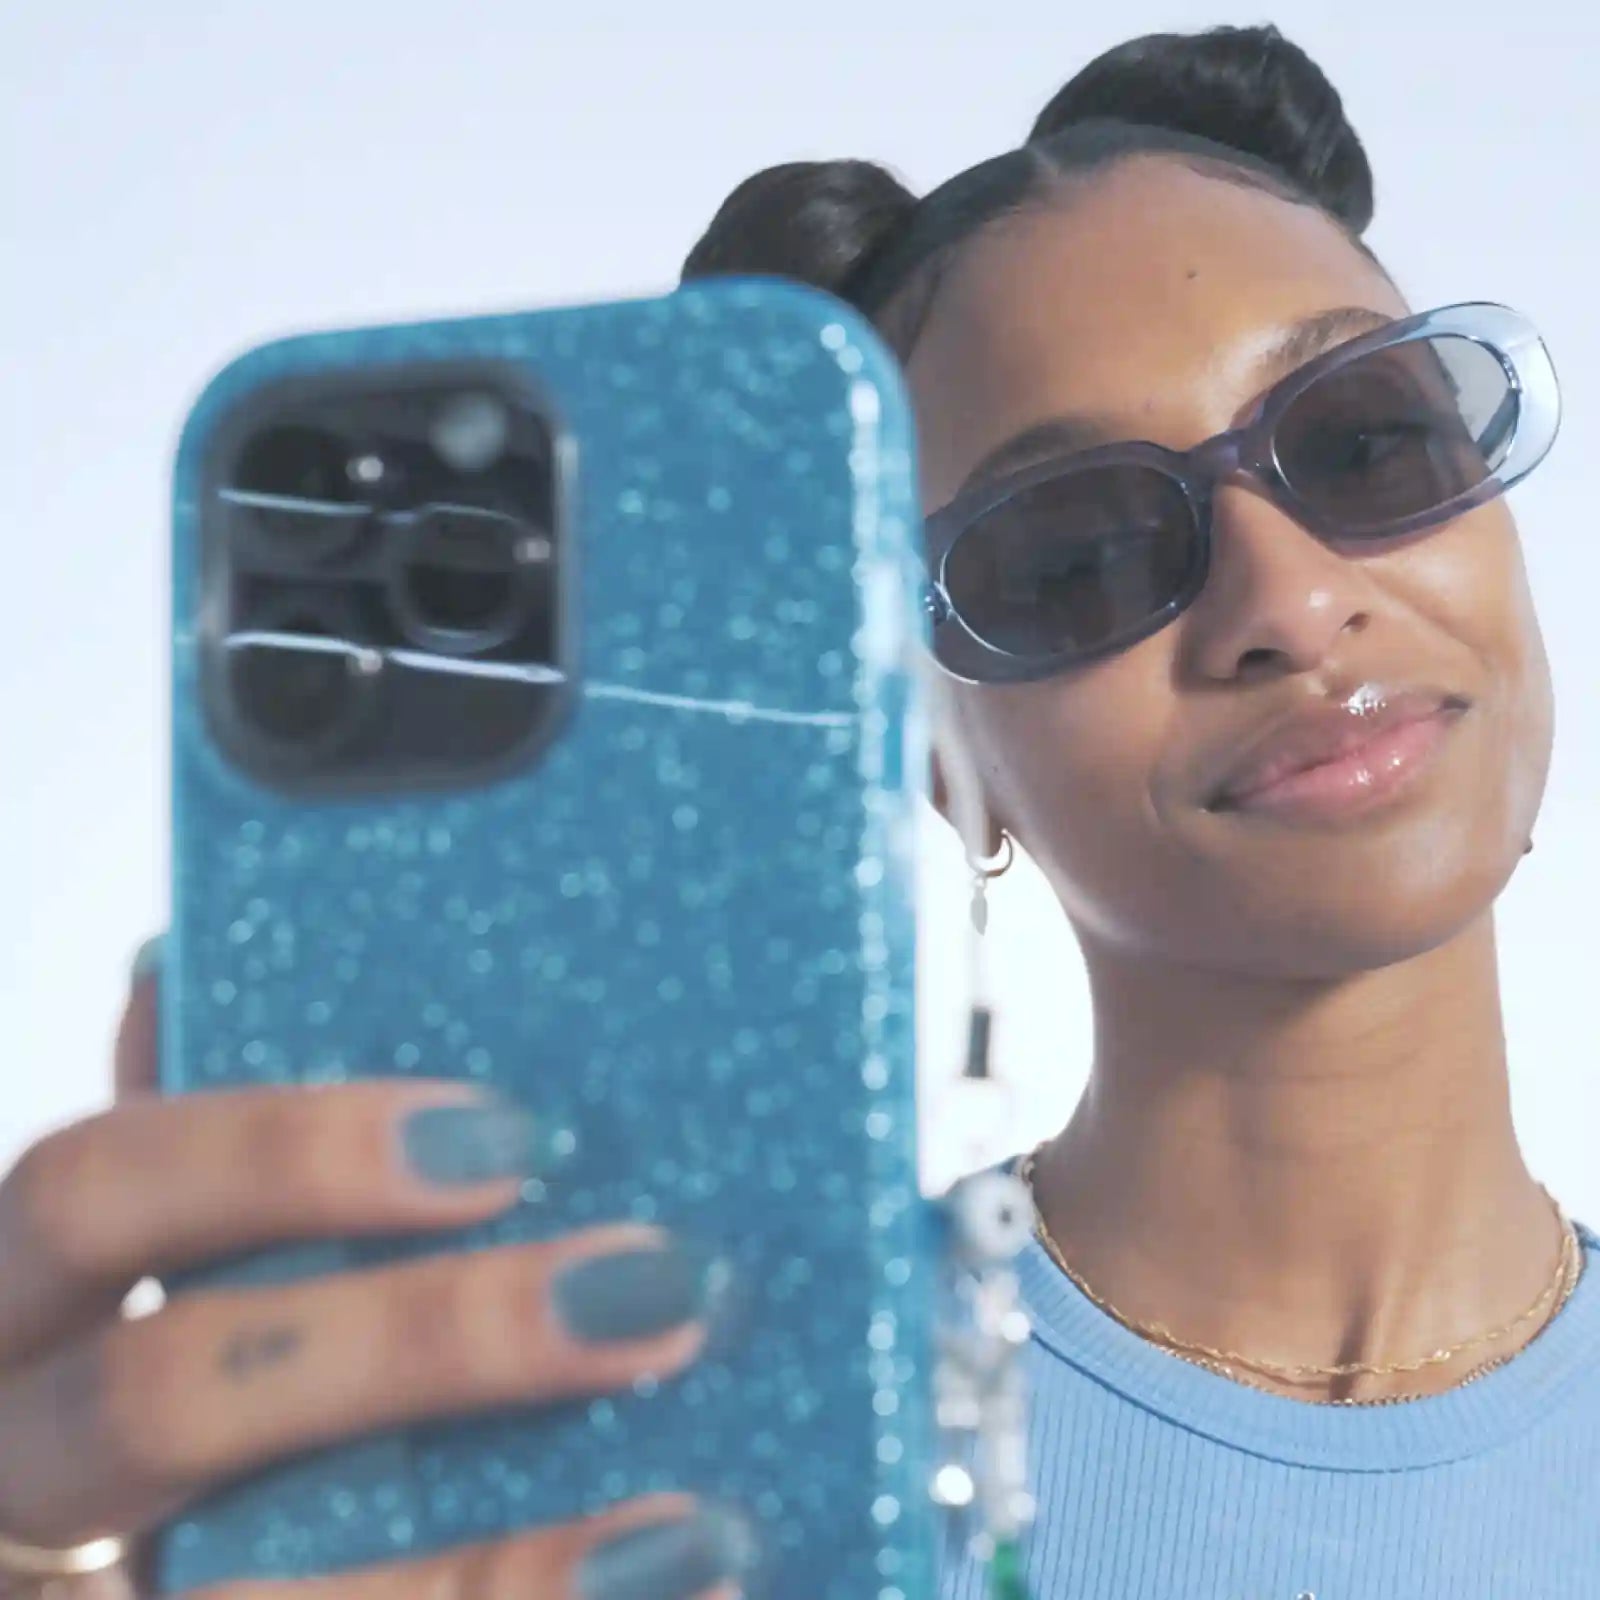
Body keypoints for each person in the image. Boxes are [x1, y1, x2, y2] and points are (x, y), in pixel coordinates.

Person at [2, 21, 1595, 1600]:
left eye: (1371, 440)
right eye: (1077, 556)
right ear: (926, 751)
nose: (1289, 599)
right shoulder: (675, 1428)